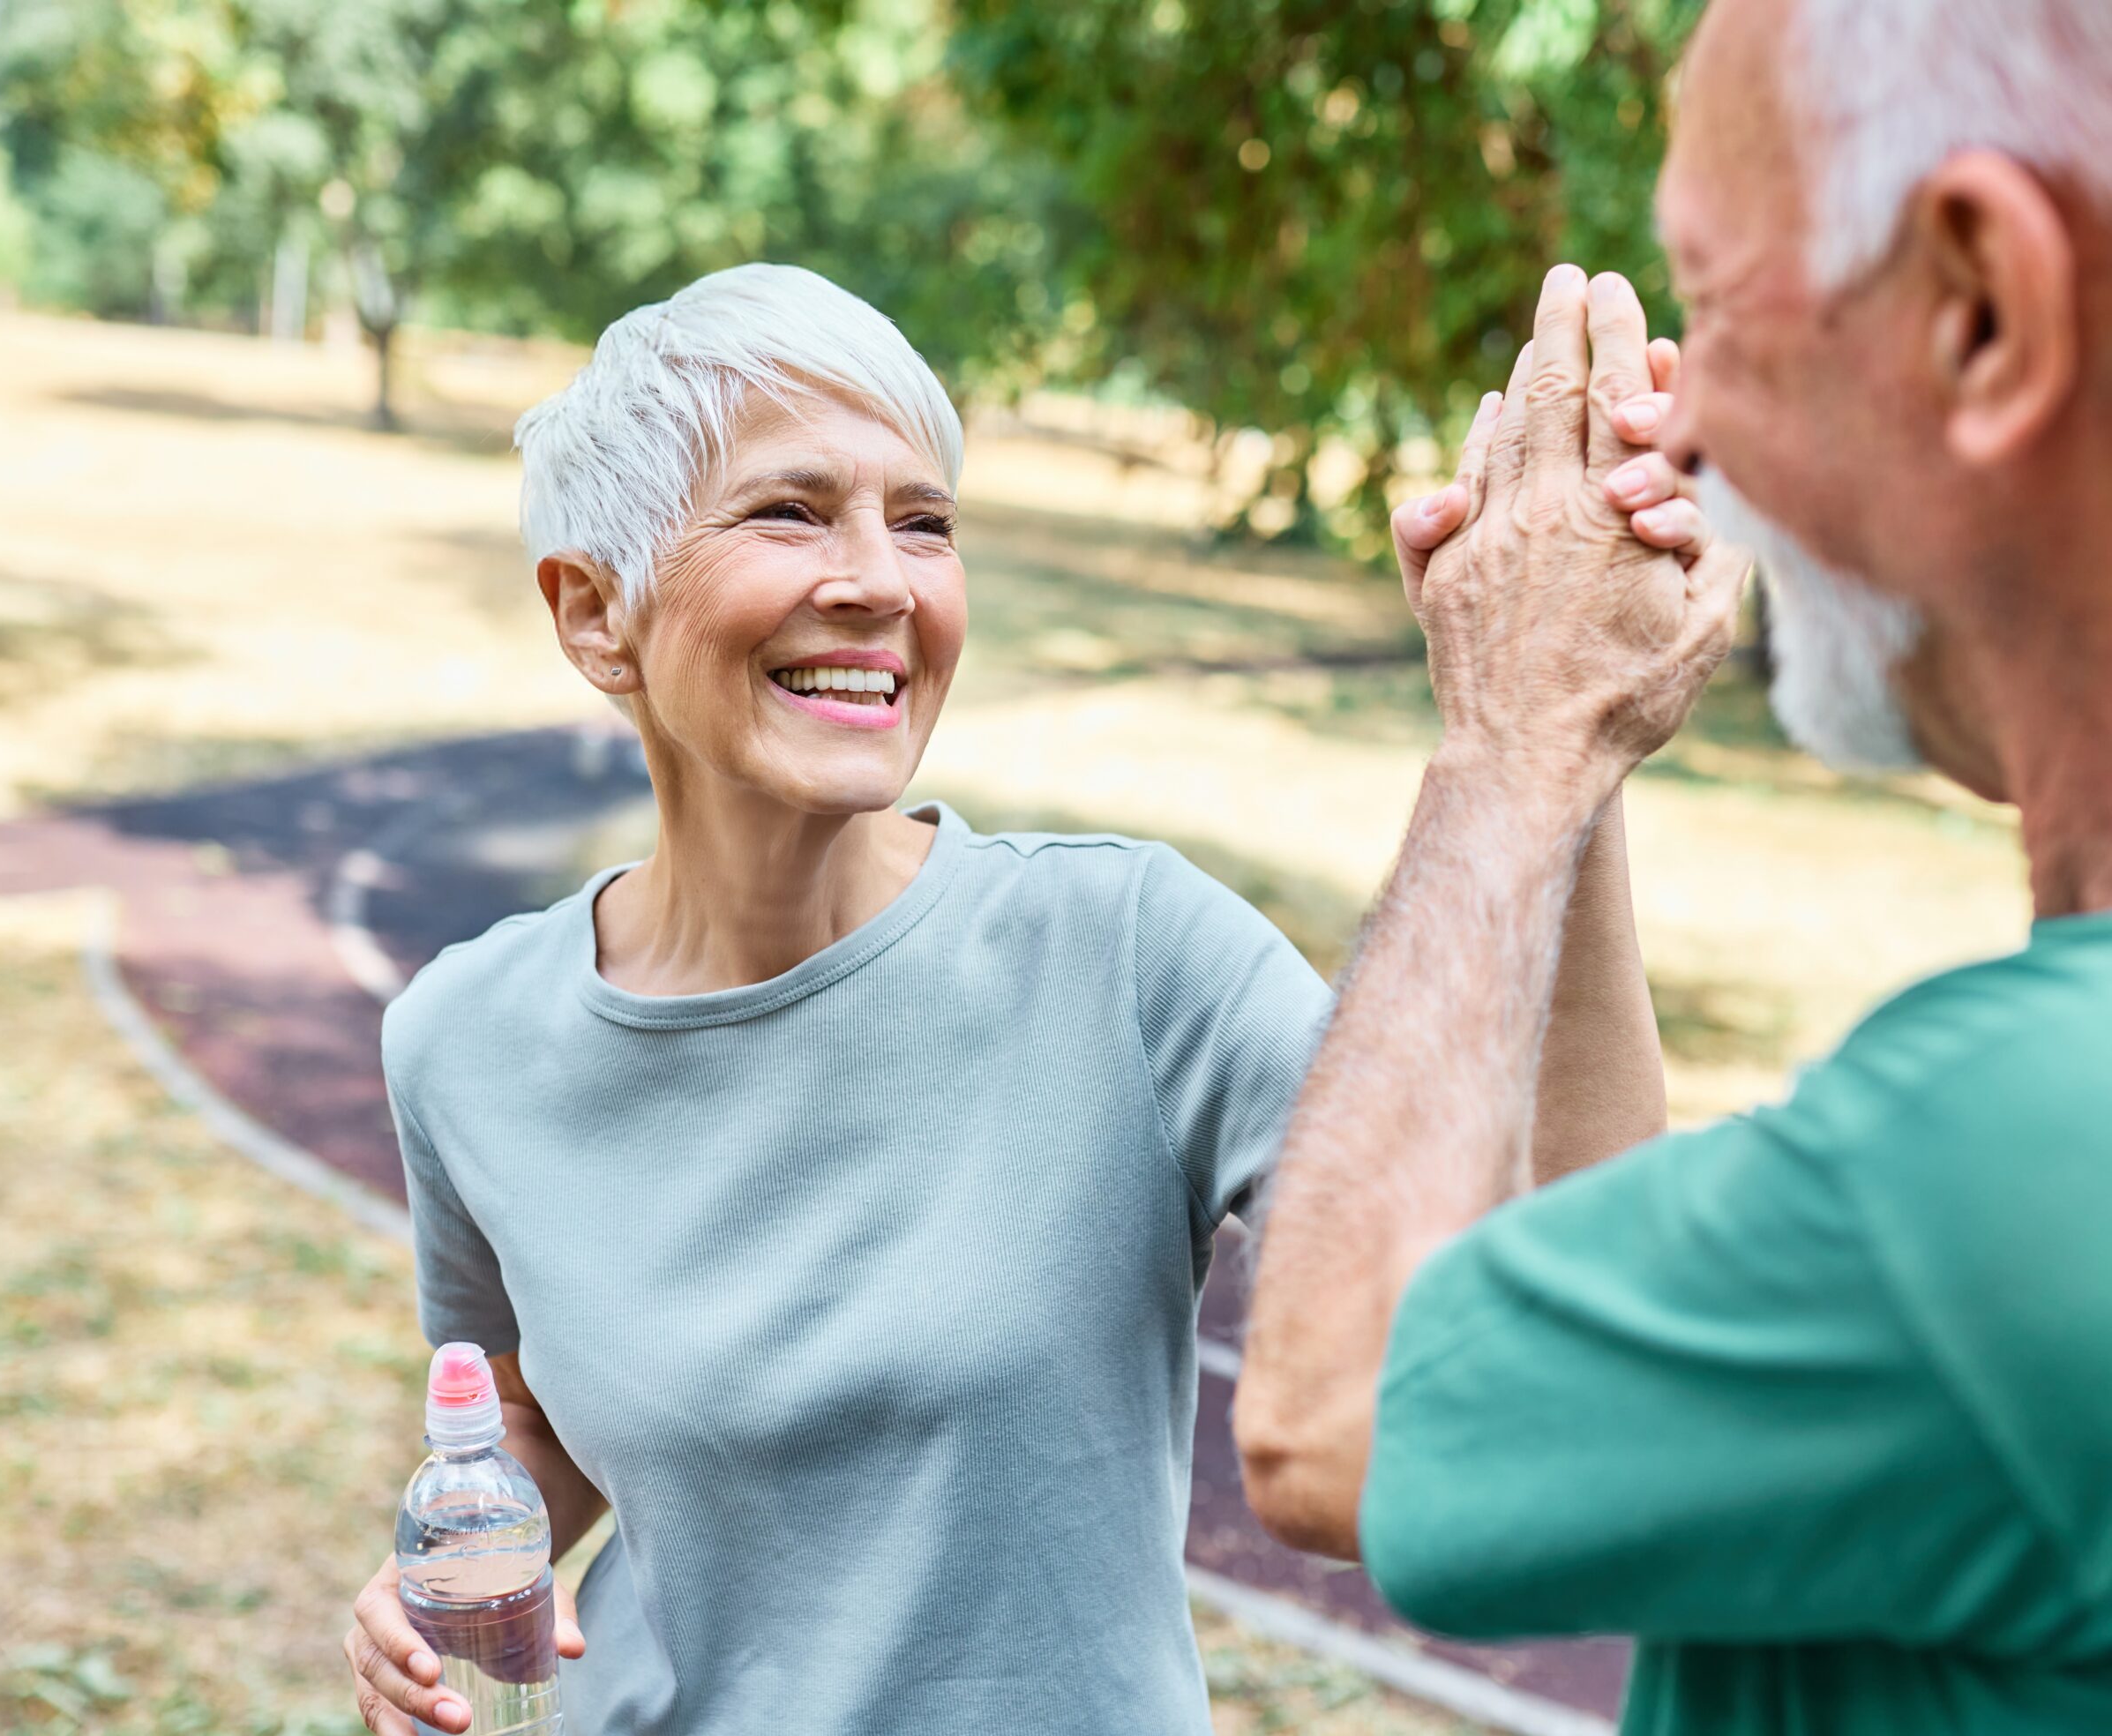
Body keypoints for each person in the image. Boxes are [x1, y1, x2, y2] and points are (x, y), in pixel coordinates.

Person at [337, 262, 1666, 1736]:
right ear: (597, 614)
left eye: (926, 523)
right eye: (792, 510)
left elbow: (1558, 1313)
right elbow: (533, 1412)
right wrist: (453, 1569)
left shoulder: (1129, 955)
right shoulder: (462, 1042)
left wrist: (1562, 733)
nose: (881, 580)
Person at [1235, 1, 2112, 1732]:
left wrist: (1508, 742)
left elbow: (1341, 1413)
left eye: (1708, 305)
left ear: (1982, 310)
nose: (1678, 425)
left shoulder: (2025, 1137)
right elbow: (1526, 1324)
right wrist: (1573, 760)